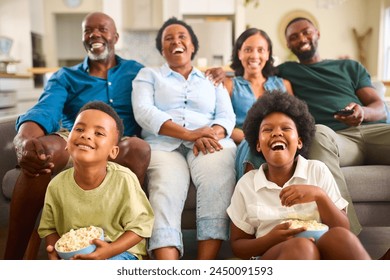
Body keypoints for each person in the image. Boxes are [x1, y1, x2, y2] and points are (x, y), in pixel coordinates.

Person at [4, 12, 151, 260]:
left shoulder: (138, 72)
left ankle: (120, 245)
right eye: (88, 30)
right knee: (42, 151)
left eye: (102, 29)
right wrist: (25, 142)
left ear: (115, 37)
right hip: (73, 139)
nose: (94, 34)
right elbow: (44, 111)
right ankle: (12, 261)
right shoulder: (65, 76)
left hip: (120, 143)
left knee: (138, 148)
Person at [132, 17, 237, 260]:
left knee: (218, 174)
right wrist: (191, 134)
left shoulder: (212, 79)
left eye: (182, 37)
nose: (175, 41)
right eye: (168, 38)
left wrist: (209, 134)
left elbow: (226, 117)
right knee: (164, 187)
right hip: (163, 145)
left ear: (192, 47)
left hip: (209, 142)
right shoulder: (148, 75)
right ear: (162, 49)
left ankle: (204, 265)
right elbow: (144, 112)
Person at [276, 17, 390, 236]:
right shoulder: (286, 71)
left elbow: (380, 107)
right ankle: (347, 238)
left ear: (317, 33)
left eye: (306, 32)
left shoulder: (349, 66)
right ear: (289, 45)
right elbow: (252, 69)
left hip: (372, 130)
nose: (302, 38)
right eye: (294, 37)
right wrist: (225, 73)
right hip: (337, 140)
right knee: (318, 133)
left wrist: (362, 112)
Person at [227, 91, 371, 260]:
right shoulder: (247, 184)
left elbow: (342, 228)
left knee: (341, 237)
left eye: (286, 128)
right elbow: (238, 247)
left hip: (321, 251)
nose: (277, 133)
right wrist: (270, 239)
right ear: (258, 145)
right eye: (268, 129)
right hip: (272, 254)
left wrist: (320, 195)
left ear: (300, 141)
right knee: (301, 246)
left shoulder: (317, 170)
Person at [38, 101, 154, 260]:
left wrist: (110, 251)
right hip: (73, 257)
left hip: (120, 252)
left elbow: (141, 227)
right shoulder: (56, 186)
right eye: (79, 129)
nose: (86, 135)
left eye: (99, 133)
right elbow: (50, 229)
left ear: (113, 151)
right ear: (67, 142)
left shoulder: (124, 179)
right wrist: (56, 253)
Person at [223, 28, 293, 179]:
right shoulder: (229, 85)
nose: (255, 55)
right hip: (246, 142)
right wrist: (259, 138)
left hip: (280, 140)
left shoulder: (284, 84)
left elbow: (295, 121)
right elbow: (224, 125)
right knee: (252, 148)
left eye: (261, 50)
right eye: (248, 49)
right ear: (239, 53)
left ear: (268, 54)